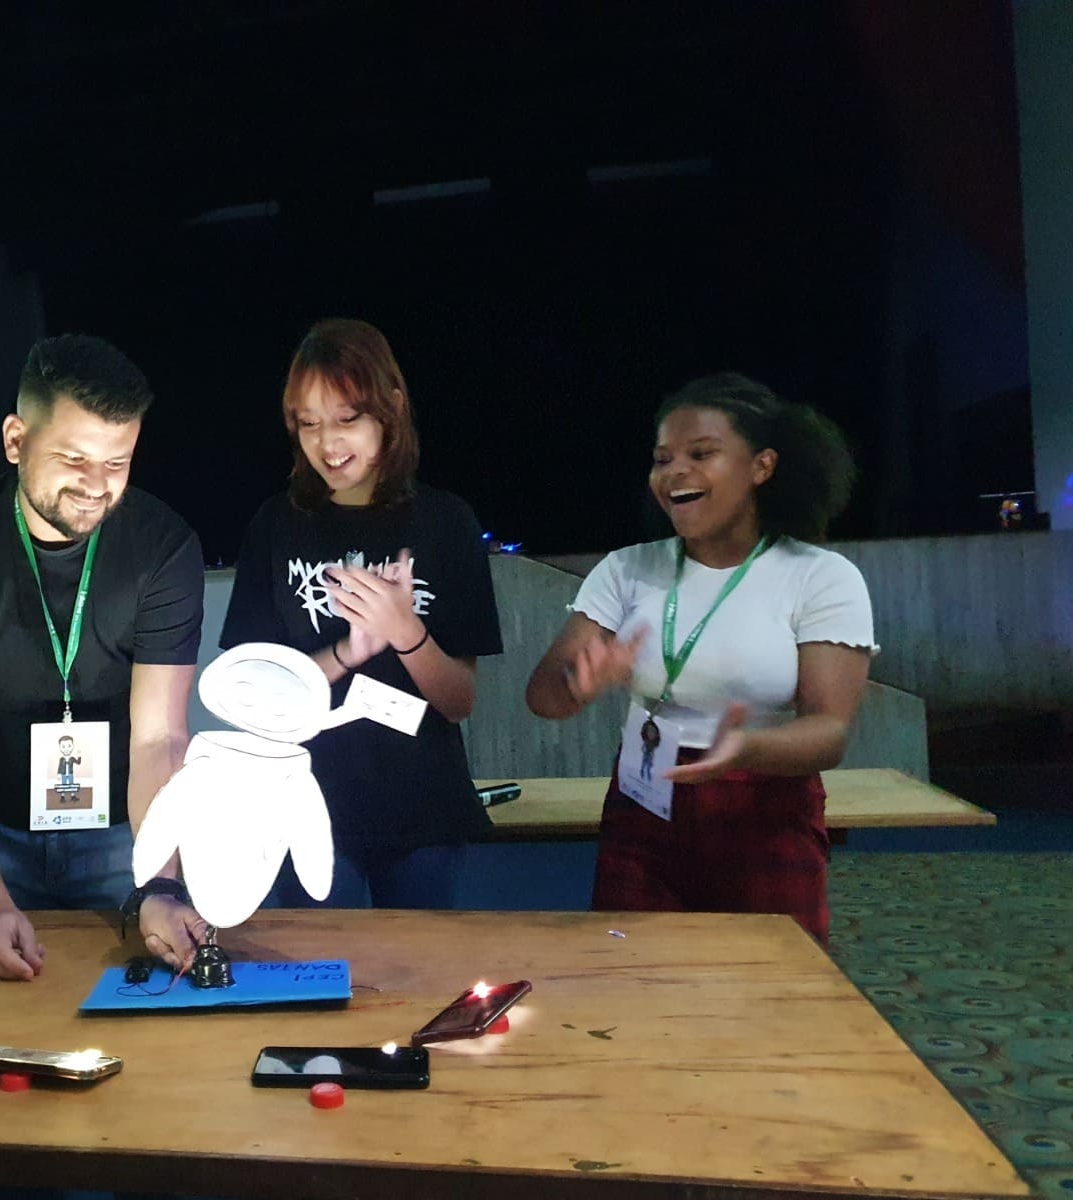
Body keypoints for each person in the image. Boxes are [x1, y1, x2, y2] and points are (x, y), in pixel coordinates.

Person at [0, 333, 207, 980]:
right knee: (0, 1009)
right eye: (74, 458)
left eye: (117, 462)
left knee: (137, 1000)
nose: (97, 486)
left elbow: (159, 736)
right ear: (16, 440)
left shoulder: (163, 547)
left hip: (123, 832)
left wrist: (160, 886)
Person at [524, 372, 875, 945]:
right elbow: (542, 697)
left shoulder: (819, 576)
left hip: (764, 806)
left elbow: (830, 731)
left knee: (771, 983)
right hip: (642, 802)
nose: (674, 472)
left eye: (701, 454)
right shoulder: (627, 568)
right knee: (634, 979)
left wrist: (747, 750)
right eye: (662, 459)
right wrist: (578, 685)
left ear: (761, 466)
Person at [219, 318, 503, 909]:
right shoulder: (275, 526)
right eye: (309, 423)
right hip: (304, 801)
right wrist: (348, 652)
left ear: (391, 409)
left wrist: (406, 632)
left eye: (347, 419)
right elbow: (257, 699)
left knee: (418, 962)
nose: (328, 443)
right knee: (321, 962)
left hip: (424, 807)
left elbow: (459, 701)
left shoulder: (446, 523)